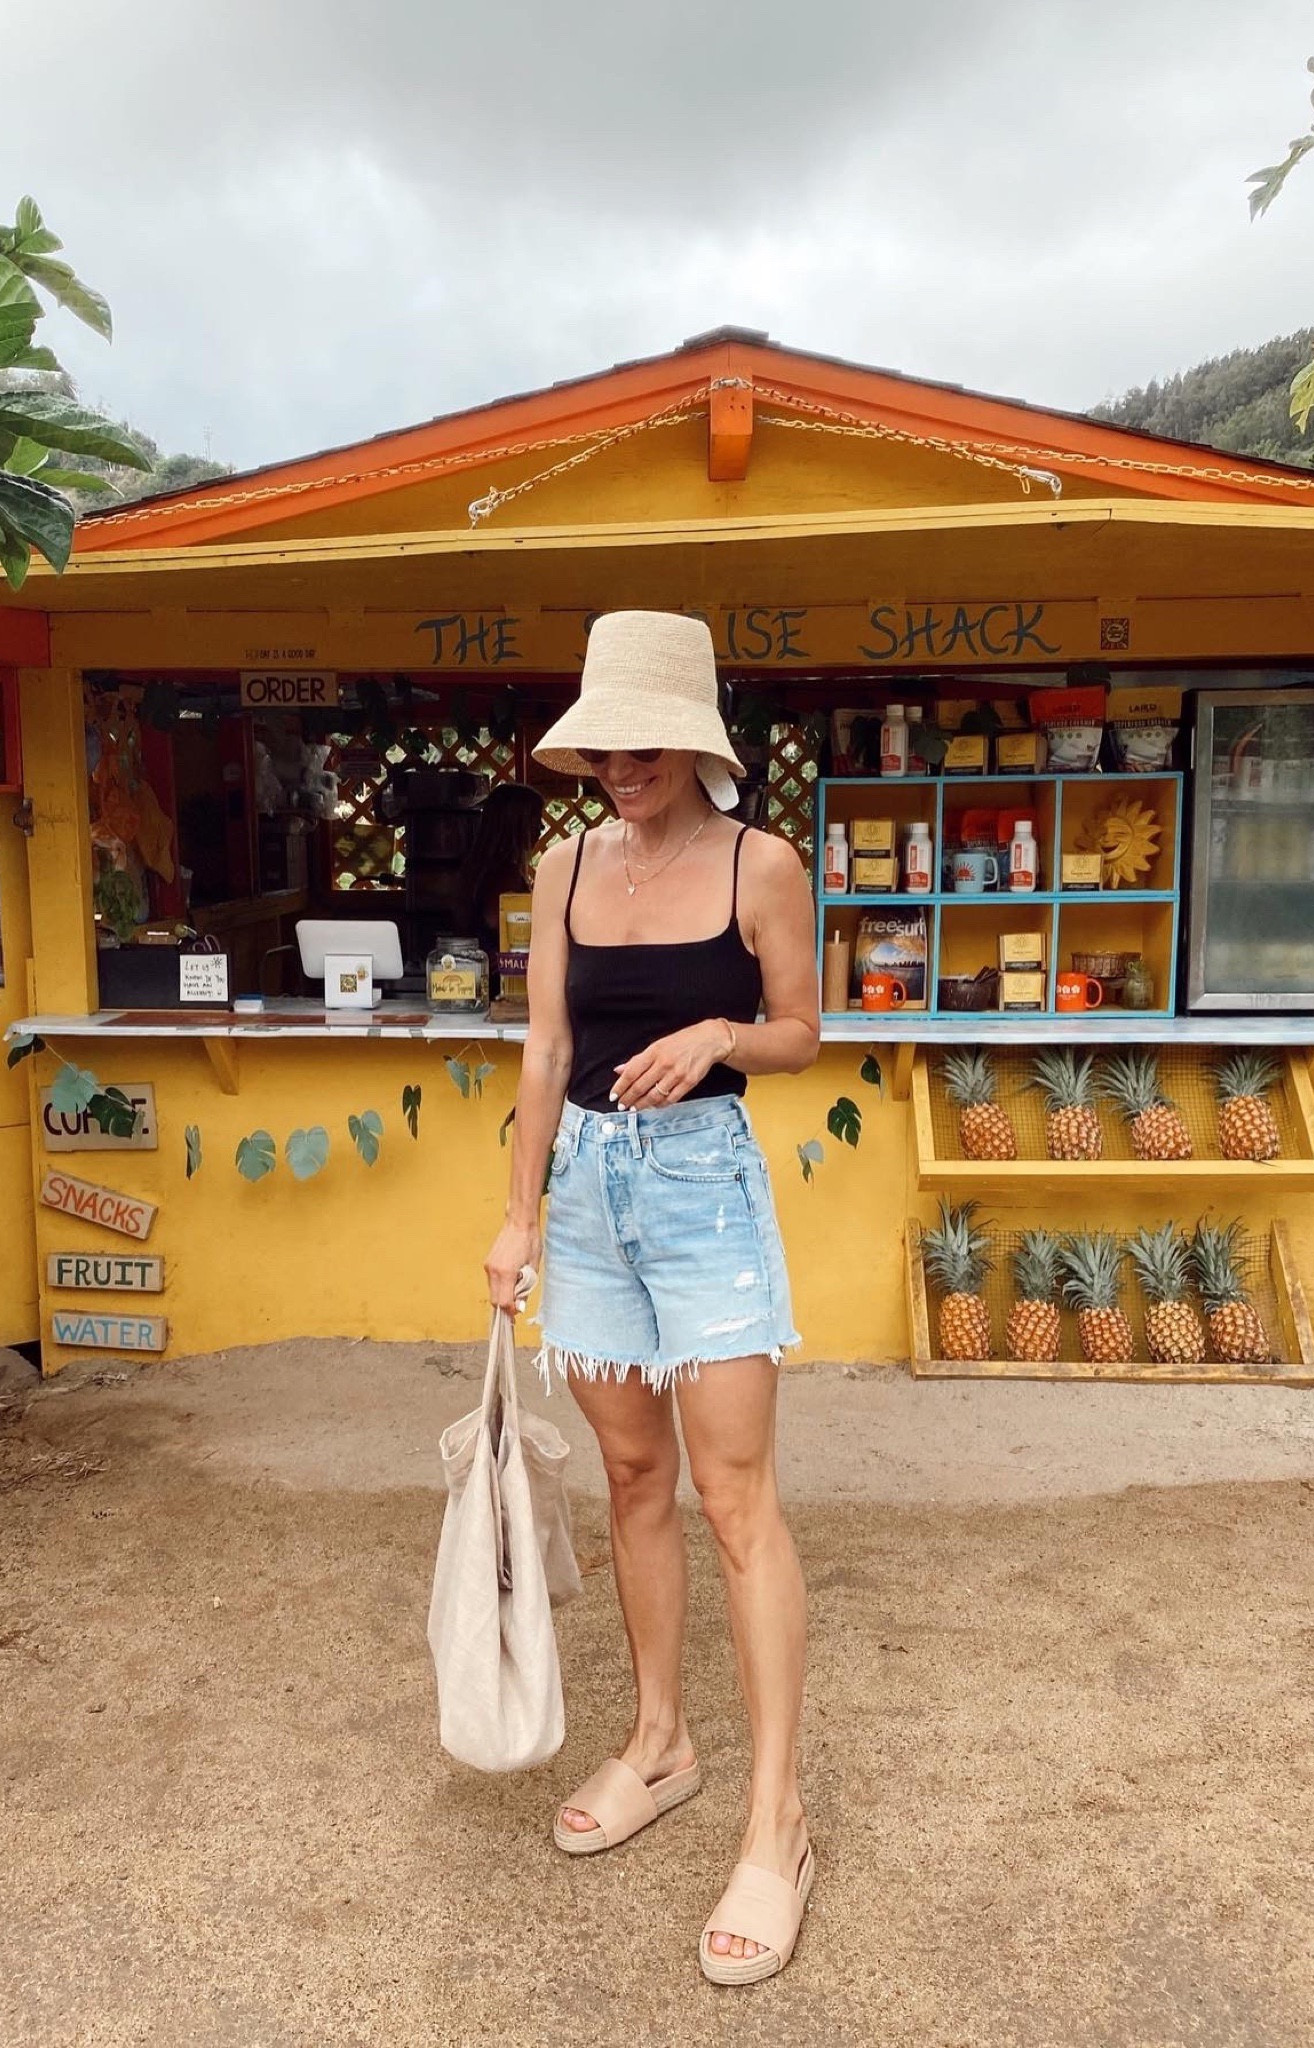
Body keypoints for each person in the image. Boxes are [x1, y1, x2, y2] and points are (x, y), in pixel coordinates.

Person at [483, 610, 822, 1986]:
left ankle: (776, 1822)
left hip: (703, 1194)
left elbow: (804, 1030)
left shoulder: (763, 865)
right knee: (633, 1476)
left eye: (641, 742)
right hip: (589, 1201)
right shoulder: (564, 869)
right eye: (600, 743)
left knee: (737, 1501)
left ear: (693, 740)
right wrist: (516, 1219)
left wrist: (723, 1034)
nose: (618, 764)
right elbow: (546, 1050)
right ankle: (662, 1740)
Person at [455, 780, 544, 961]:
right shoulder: (503, 877)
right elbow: (501, 925)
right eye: (536, 819)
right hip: (500, 977)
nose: (541, 827)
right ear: (517, 824)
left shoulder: (479, 869)